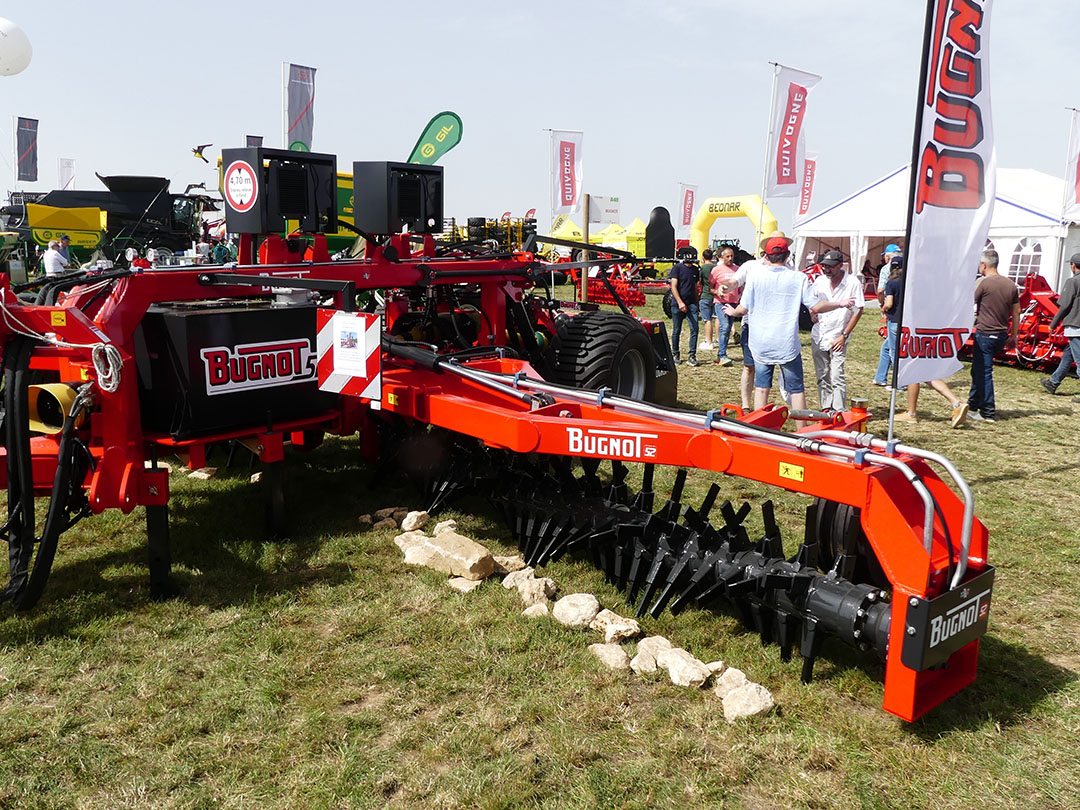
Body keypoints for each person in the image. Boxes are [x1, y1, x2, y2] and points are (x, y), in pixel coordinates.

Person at [722, 235, 854, 414]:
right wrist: (840, 303)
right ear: (788, 255)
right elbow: (816, 306)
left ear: (766, 257)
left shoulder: (754, 277)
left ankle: (759, 430)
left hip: (761, 343)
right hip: (786, 344)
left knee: (761, 388)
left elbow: (742, 309)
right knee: (796, 390)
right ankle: (801, 435)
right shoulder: (798, 278)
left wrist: (732, 311)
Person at [967, 249, 1019, 422]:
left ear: (984, 264)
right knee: (978, 370)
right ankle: (972, 405)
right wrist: (1014, 335)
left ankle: (988, 411)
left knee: (984, 372)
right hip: (1001, 334)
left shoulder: (983, 283)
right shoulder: (1010, 285)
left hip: (985, 333)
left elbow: (968, 302)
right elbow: (1016, 312)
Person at [810, 250, 864, 411]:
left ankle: (839, 410)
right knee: (822, 374)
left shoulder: (852, 283)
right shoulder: (819, 281)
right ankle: (826, 408)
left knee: (836, 375)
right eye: (824, 266)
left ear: (841, 266)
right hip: (819, 334)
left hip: (838, 335)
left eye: (830, 267)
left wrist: (844, 335)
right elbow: (811, 301)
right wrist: (813, 313)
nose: (827, 270)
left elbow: (858, 310)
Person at [1041, 252, 1080, 402]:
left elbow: (1064, 306)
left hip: (1076, 326)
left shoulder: (1073, 282)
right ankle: (1053, 383)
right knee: (1067, 356)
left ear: (1073, 265)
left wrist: (1053, 323)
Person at [873, 257, 904, 387]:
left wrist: (883, 308)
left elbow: (889, 303)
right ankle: (880, 377)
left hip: (893, 320)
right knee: (886, 347)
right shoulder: (907, 282)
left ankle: (899, 383)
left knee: (893, 351)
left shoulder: (891, 283)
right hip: (904, 320)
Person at [668, 245, 701, 366]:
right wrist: (680, 302)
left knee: (695, 329)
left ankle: (692, 355)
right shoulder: (677, 268)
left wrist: (696, 303)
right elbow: (673, 287)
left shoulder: (695, 270)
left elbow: (695, 287)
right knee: (677, 329)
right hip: (677, 305)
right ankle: (675, 353)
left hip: (691, 304)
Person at [710, 245, 740, 366]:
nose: (730, 258)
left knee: (727, 329)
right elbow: (710, 287)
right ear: (722, 257)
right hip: (720, 302)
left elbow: (741, 286)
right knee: (725, 326)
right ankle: (723, 355)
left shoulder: (738, 269)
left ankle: (720, 354)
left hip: (734, 302)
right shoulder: (716, 270)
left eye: (732, 256)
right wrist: (717, 292)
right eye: (727, 256)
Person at [697, 248, 718, 352]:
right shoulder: (716, 267)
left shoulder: (703, 268)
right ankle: (717, 339)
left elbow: (699, 282)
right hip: (716, 296)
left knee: (707, 319)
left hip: (706, 295)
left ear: (703, 257)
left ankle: (708, 341)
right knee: (717, 317)